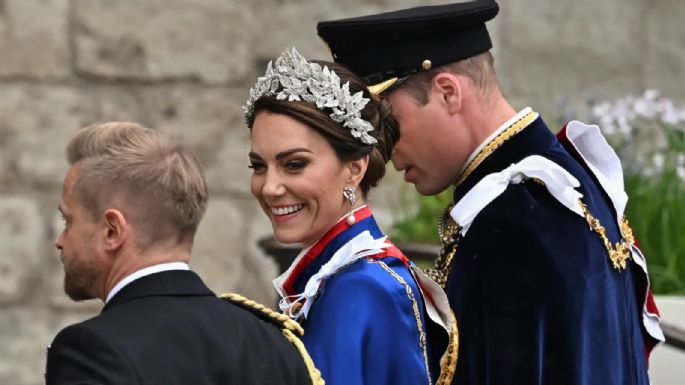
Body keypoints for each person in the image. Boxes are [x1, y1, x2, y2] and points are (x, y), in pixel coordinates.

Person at [317, 1, 664, 384]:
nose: (381, 148)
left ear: (448, 93)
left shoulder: (513, 222)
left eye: (388, 124)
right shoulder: (567, 181)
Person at [47, 122, 323, 385]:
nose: (61, 241)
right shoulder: (272, 342)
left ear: (112, 231)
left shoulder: (94, 350)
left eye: (68, 221)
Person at [244, 48, 458, 385]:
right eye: (258, 166)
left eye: (294, 164)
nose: (269, 187)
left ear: (354, 169)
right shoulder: (340, 277)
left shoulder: (361, 288)